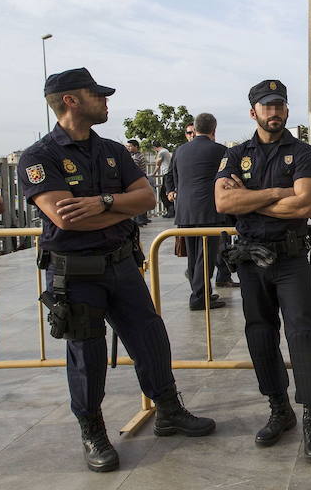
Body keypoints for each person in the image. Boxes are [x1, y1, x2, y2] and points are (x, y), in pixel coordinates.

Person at [17, 68, 215, 473]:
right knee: (86, 356)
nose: (107, 101)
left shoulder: (113, 150)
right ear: (71, 100)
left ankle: (169, 410)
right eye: (98, 95)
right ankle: (93, 432)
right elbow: (65, 217)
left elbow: (144, 199)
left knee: (150, 338)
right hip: (75, 274)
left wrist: (101, 202)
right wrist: (113, 206)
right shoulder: (39, 157)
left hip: (122, 264)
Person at [214, 80, 311, 460]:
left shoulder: (303, 152)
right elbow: (222, 200)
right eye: (266, 106)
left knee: (301, 335)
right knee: (260, 335)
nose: (274, 112)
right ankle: (279, 410)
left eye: (279, 105)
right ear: (253, 112)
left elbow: (304, 207)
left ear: (287, 110)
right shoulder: (234, 155)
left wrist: (247, 202)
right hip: (250, 260)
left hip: (291, 259)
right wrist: (278, 192)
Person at [168, 113, 230, 311]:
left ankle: (200, 293)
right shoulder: (221, 150)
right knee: (206, 256)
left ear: (194, 129)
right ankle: (199, 297)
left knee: (194, 256)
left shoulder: (180, 150)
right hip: (209, 210)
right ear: (214, 129)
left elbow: (175, 178)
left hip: (185, 209)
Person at [125, 140, 151, 226]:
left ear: (136, 147)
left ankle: (139, 220)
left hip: (137, 181)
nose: (128, 148)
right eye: (127, 146)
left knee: (137, 200)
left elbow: (131, 168)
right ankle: (142, 219)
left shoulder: (137, 157)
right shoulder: (137, 155)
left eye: (130, 146)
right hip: (141, 180)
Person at [152, 142, 174, 218]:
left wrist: (153, 174)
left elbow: (157, 163)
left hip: (167, 174)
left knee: (164, 194)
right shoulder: (166, 150)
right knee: (167, 192)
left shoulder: (161, 152)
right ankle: (171, 211)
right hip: (169, 173)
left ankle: (171, 212)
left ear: (155, 147)